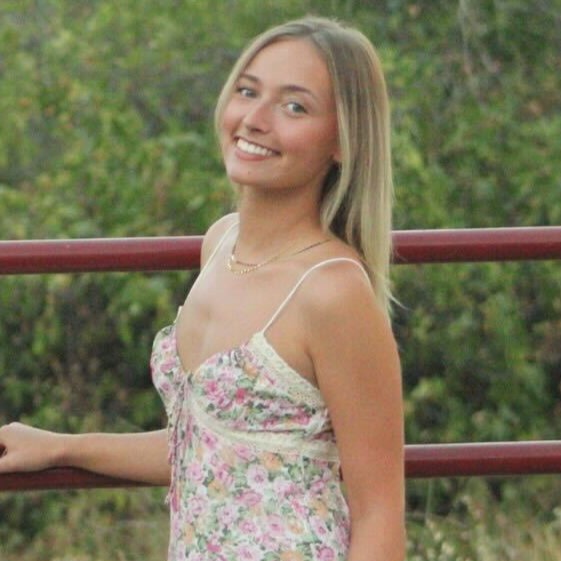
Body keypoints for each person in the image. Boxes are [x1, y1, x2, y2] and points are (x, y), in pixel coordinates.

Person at [0, 16, 405, 561]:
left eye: (294, 106)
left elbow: (381, 517)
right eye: (247, 91)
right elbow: (206, 452)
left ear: (342, 140)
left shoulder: (331, 291)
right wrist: (61, 447)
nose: (255, 120)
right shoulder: (221, 243)